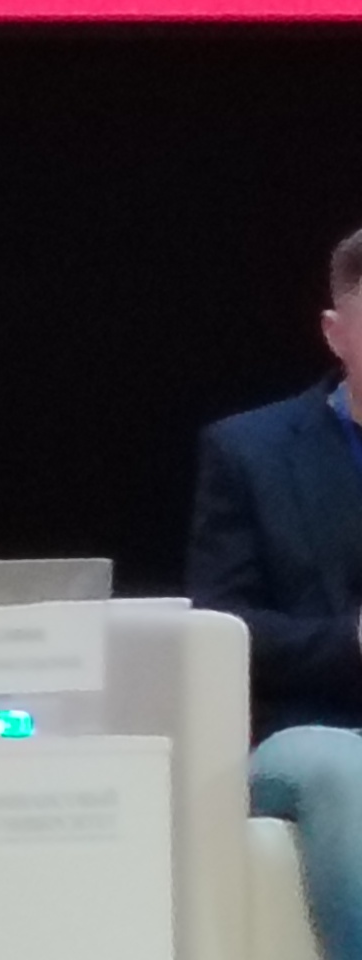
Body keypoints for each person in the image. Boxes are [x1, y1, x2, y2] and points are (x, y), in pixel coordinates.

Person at [189, 225, 362, 960]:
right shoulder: (250, 452)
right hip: (314, 729)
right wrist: (352, 640)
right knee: (342, 771)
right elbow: (222, 627)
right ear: (336, 333)